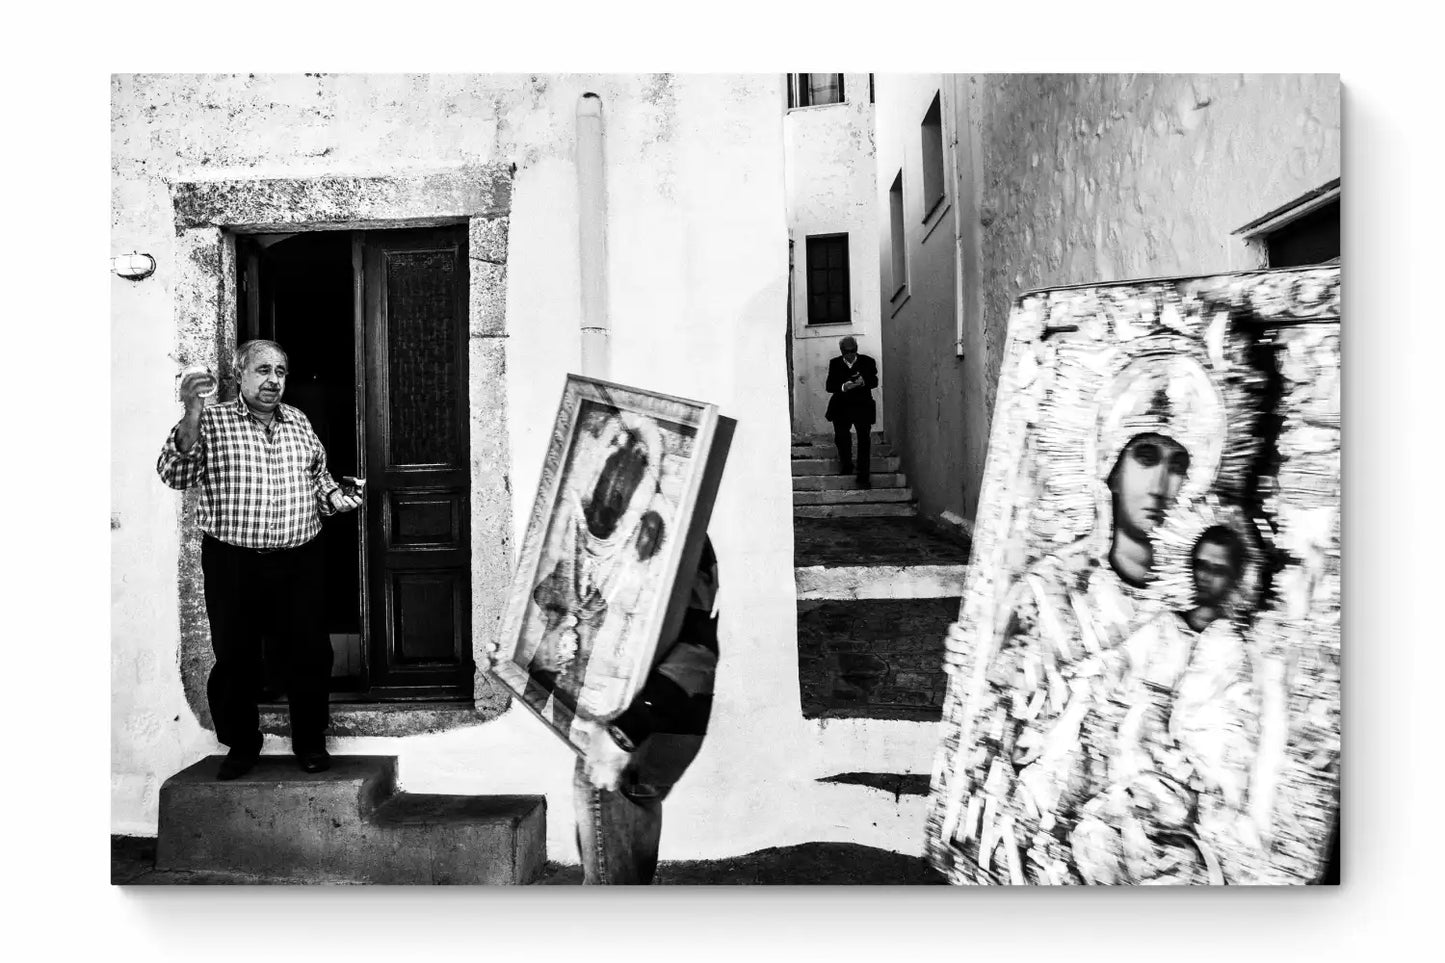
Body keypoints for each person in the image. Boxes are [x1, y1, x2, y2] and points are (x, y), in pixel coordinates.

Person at [953, 353, 1228, 884]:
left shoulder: (1198, 614)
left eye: (1180, 464)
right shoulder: (1048, 590)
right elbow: (997, 722)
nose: (1162, 484)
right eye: (1146, 455)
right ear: (1112, 461)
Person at [157, 340, 363, 780]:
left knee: (310, 651)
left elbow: (318, 479)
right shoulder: (210, 421)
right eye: (263, 370)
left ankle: (309, 740)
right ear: (240, 375)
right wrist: (192, 411)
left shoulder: (299, 422)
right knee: (236, 655)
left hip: (300, 556)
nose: (273, 380)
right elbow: (175, 474)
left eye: (281, 371)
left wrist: (337, 498)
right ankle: (242, 744)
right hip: (234, 559)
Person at [572, 536, 719, 884]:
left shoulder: (679, 522)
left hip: (631, 735)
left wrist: (622, 736)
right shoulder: (639, 524)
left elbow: (698, 651)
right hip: (623, 730)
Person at [824, 336, 879, 488]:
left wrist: (864, 382)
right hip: (841, 407)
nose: (850, 354)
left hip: (862, 406)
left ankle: (863, 477)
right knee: (842, 438)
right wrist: (844, 386)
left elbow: (874, 381)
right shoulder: (834, 363)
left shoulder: (868, 362)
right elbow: (829, 386)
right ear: (842, 351)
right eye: (847, 351)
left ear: (857, 349)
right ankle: (846, 465)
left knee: (864, 441)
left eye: (853, 351)